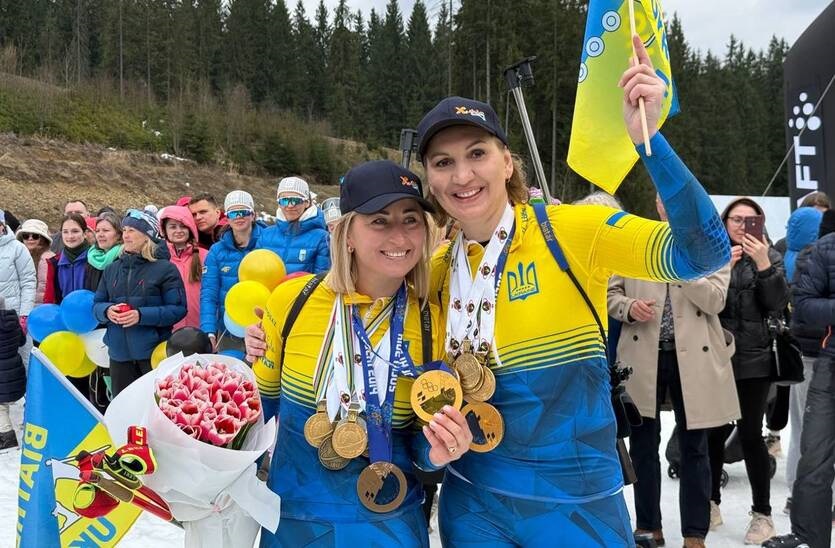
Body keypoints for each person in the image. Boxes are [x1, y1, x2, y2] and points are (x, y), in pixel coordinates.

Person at [417, 37, 730, 547]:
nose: (463, 175)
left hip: (577, 508)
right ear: (430, 180)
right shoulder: (432, 272)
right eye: (443, 162)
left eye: (477, 154)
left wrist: (650, 142)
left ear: (507, 163)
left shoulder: (574, 232)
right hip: (472, 504)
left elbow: (705, 253)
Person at [247, 160, 472, 546]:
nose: (399, 236)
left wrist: (440, 449)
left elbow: (420, 448)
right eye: (379, 221)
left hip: (388, 523)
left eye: (411, 220)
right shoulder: (292, 301)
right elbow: (256, 413)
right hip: (294, 520)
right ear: (346, 232)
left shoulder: (433, 323)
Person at [608, 196, 740, 548]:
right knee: (643, 445)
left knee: (695, 447)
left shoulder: (710, 245)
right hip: (642, 354)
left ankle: (695, 533)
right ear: (657, 205)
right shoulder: (636, 239)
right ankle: (648, 526)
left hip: (694, 358)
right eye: (664, 198)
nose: (671, 204)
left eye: (677, 198)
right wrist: (628, 307)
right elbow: (611, 293)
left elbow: (716, 300)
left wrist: (683, 270)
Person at [706, 197, 788, 544]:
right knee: (712, 432)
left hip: (756, 359)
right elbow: (708, 302)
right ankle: (711, 502)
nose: (742, 226)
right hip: (716, 355)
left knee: (752, 434)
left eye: (749, 220)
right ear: (724, 223)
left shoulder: (771, 256)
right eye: (736, 219)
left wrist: (763, 263)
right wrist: (724, 268)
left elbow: (777, 303)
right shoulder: (713, 255)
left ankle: (762, 514)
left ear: (760, 223)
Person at [92, 210, 186, 396]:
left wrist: (141, 315)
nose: (126, 235)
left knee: (153, 407)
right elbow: (96, 304)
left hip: (152, 354)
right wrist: (107, 311)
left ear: (147, 236)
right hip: (119, 355)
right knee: (123, 408)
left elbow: (178, 309)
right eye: (124, 230)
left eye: (132, 230)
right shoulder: (111, 269)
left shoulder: (165, 269)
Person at [783, 208, 832, 518]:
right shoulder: (814, 256)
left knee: (805, 429)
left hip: (808, 351)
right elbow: (804, 307)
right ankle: (800, 496)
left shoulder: (799, 255)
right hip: (814, 354)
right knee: (809, 431)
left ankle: (798, 495)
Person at [200, 190, 263, 351]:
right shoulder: (216, 251)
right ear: (227, 218)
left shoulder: (268, 242)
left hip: (262, 329)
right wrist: (209, 330)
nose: (239, 217)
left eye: (244, 212)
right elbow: (209, 293)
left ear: (253, 215)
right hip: (229, 331)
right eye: (234, 213)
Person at [258, 176, 330, 274]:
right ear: (279, 203)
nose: (290, 205)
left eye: (296, 200)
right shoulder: (265, 235)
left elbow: (322, 277)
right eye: (284, 200)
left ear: (307, 203)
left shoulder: (322, 238)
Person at [159, 205, 207, 331]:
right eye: (173, 227)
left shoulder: (205, 256)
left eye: (183, 226)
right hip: (170, 329)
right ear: (164, 230)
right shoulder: (158, 258)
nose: (178, 230)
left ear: (190, 228)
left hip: (200, 327)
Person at [0, 209, 36, 367]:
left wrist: (24, 314)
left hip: (12, 317)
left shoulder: (17, 248)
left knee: (21, 362)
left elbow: (28, 281)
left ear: (3, 225)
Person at [43, 213, 96, 305]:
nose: (70, 236)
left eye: (75, 231)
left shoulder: (95, 260)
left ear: (84, 233)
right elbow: (50, 298)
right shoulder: (55, 263)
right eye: (65, 232)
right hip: (63, 312)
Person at [0, 295, 26, 450]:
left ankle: (7, 437)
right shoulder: (12, 320)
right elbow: (22, 342)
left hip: (2, 373)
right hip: (15, 371)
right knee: (3, 401)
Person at [773, 191, 830, 256]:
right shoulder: (783, 245)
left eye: (823, 214)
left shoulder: (830, 245)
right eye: (813, 214)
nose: (819, 218)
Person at [15, 219, 55, 305]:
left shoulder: (47, 259)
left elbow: (45, 289)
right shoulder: (19, 256)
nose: (30, 238)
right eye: (26, 236)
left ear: (43, 239)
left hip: (39, 308)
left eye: (35, 236)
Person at [87, 212, 124, 292]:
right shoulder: (92, 257)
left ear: (118, 234)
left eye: (106, 230)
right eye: (97, 231)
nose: (100, 235)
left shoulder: (124, 258)